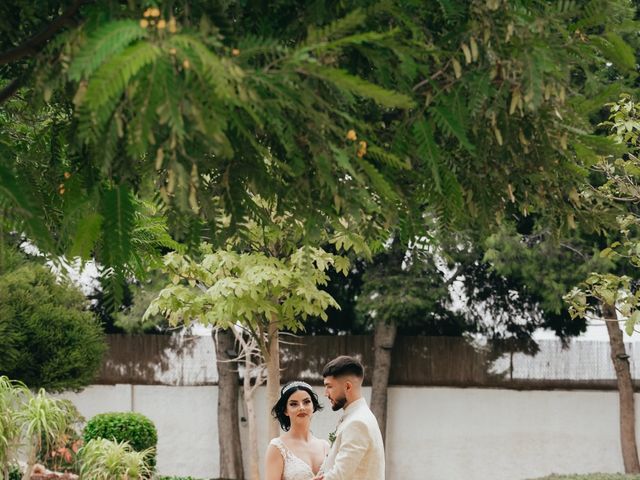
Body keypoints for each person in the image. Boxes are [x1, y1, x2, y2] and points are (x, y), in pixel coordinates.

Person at [314, 355, 385, 480]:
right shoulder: (358, 416)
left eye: (329, 386)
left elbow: (339, 475)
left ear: (347, 387)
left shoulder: (357, 422)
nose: (325, 393)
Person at [265, 381, 330, 480]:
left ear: (313, 406)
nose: (301, 407)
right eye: (294, 404)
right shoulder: (277, 448)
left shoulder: (325, 446)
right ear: (286, 411)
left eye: (306, 402)